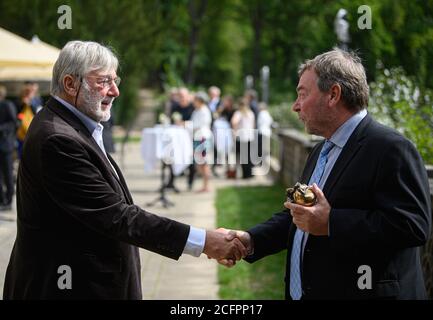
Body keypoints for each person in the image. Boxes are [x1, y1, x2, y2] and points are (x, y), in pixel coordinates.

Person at [3, 41, 247, 300]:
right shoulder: (57, 139)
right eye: (104, 81)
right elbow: (117, 216)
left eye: (115, 80)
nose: (116, 91)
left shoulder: (70, 125)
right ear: (70, 84)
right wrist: (204, 241)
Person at [216, 48, 432, 300]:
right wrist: (251, 240)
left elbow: (413, 226)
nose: (295, 107)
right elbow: (300, 218)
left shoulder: (391, 148)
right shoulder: (320, 150)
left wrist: (331, 223)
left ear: (333, 95)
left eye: (302, 94)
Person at [191, 92, 212, 192]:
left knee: (203, 163)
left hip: (202, 137)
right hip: (197, 137)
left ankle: (206, 185)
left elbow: (198, 125)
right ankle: (204, 184)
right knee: (199, 163)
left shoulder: (204, 111)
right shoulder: (197, 111)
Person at [0, 86, 17, 211]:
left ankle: (9, 200)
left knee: (8, 174)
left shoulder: (7, 105)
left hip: (5, 146)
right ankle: (2, 199)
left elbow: (13, 122)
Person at [231, 98, 255, 179]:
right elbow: (253, 125)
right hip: (250, 136)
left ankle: (245, 174)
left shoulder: (238, 113)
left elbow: (234, 122)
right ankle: (249, 174)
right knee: (249, 156)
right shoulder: (251, 113)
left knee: (243, 157)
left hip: (242, 137)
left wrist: (235, 131)